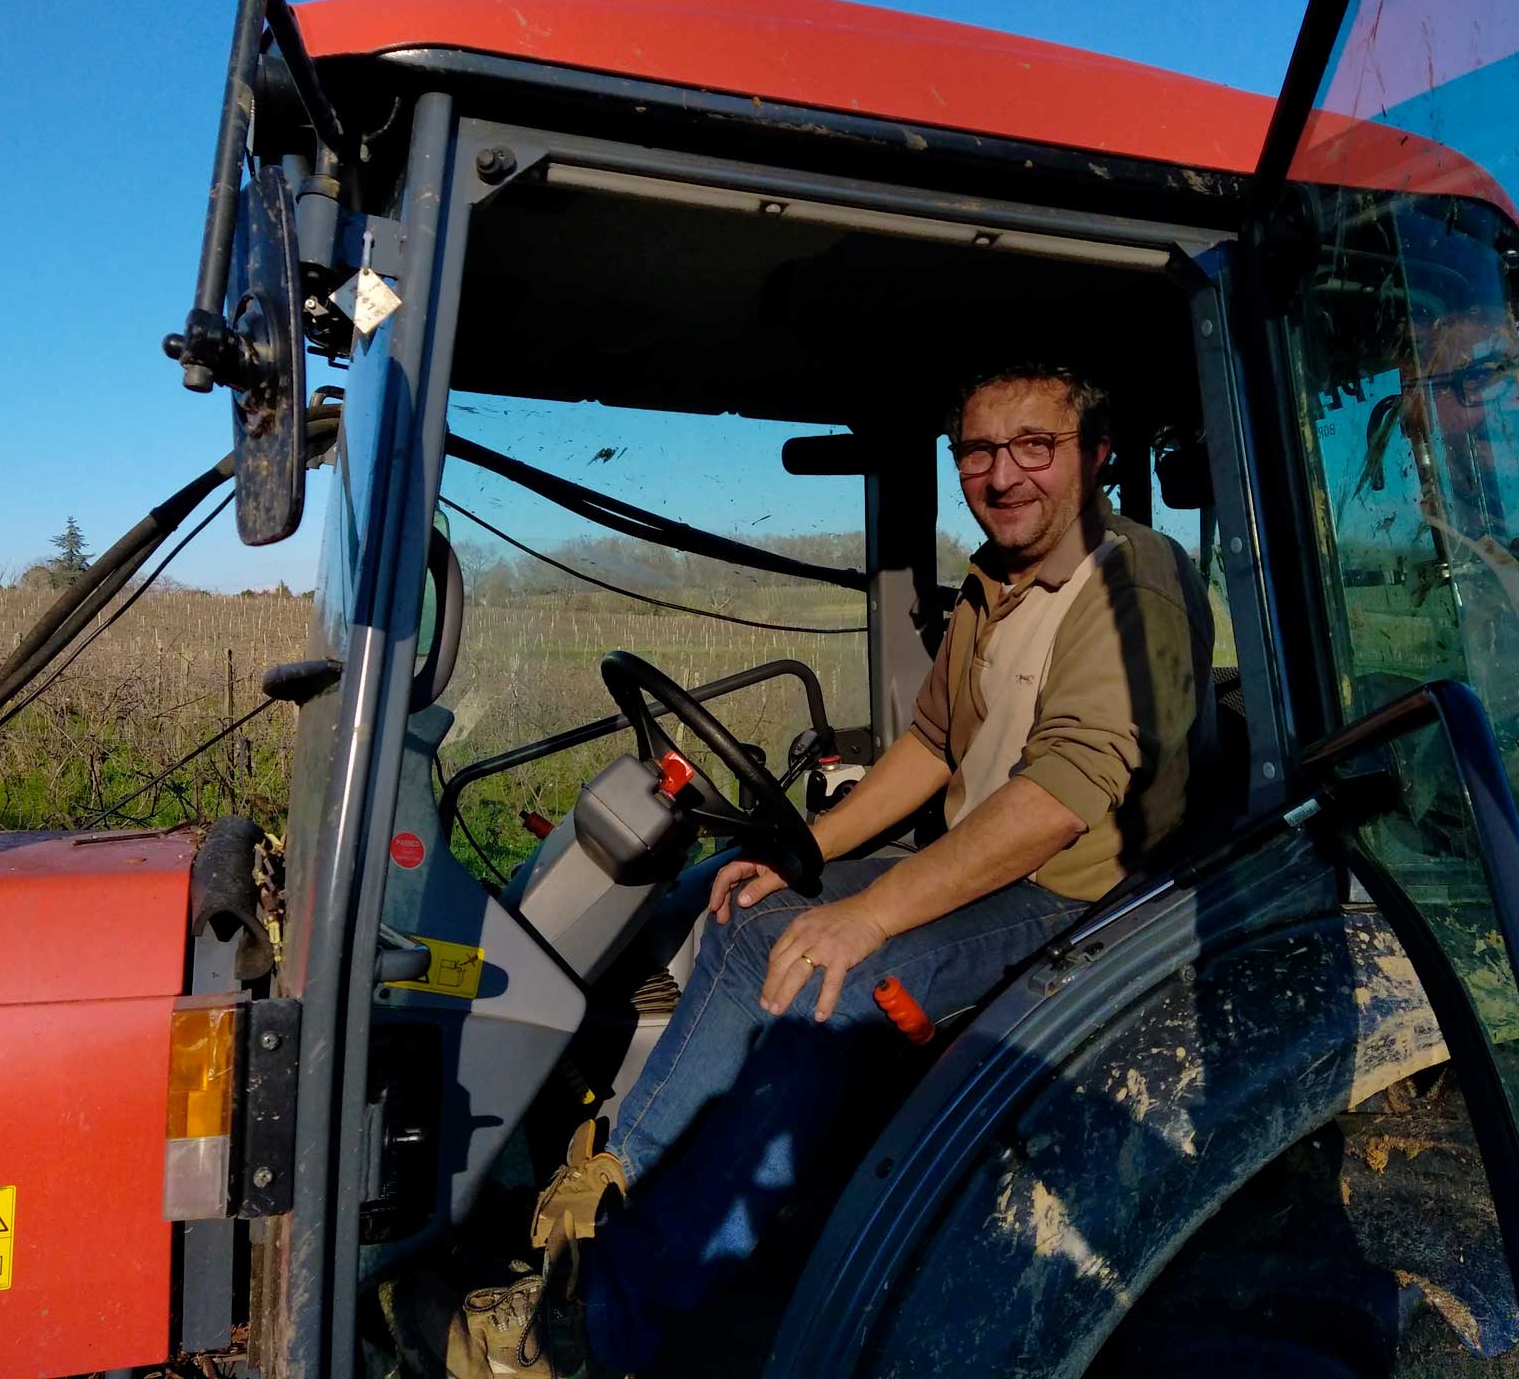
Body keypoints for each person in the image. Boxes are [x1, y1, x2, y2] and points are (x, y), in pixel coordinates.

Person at [385, 362, 1219, 1377]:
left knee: (834, 986)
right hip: (995, 863)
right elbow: (934, 747)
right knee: (743, 910)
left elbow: (1058, 800)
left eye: (1034, 447)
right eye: (979, 451)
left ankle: (592, 1336)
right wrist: (798, 856)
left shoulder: (1131, 583)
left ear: (1096, 456)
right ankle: (619, 1182)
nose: (1003, 476)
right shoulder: (992, 581)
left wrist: (864, 920)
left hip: (1087, 898)